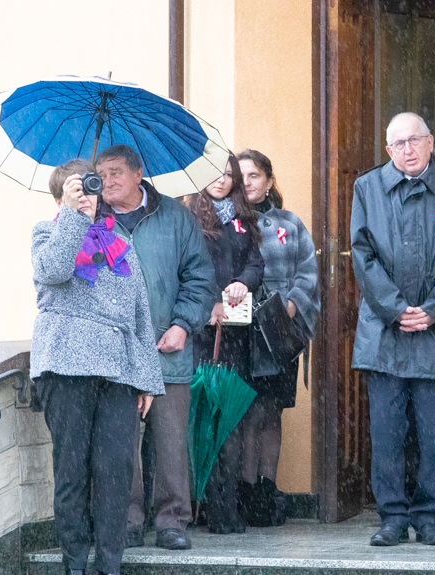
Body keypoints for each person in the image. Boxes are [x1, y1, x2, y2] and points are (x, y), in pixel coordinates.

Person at [350, 112, 435, 546]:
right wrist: (394, 308)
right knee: (386, 433)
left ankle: (429, 517)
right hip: (385, 332)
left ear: (430, 142)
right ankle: (390, 517)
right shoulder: (367, 187)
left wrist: (434, 308)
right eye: (399, 143)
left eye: (415, 140)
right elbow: (362, 253)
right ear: (388, 150)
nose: (407, 149)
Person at [31, 159, 164, 575]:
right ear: (60, 197)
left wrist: (146, 379)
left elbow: (141, 313)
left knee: (115, 473)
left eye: (91, 189)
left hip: (118, 373)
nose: (88, 196)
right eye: (77, 190)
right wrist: (72, 216)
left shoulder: (117, 241)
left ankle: (109, 565)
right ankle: (74, 565)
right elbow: (53, 272)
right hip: (66, 367)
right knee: (71, 472)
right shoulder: (47, 233)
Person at [94, 145, 216, 551]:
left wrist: (183, 325)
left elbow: (199, 278)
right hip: (116, 351)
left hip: (169, 347)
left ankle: (171, 520)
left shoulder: (176, 217)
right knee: (120, 440)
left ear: (137, 173)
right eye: (102, 174)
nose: (107, 182)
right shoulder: (94, 221)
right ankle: (128, 520)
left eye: (115, 173)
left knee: (170, 439)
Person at [236, 149, 320, 526]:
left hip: (279, 333)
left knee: (271, 413)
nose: (248, 183)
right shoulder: (225, 223)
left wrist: (289, 307)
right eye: (241, 176)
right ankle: (243, 488)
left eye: (255, 175)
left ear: (269, 180)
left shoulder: (290, 223)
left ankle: (267, 491)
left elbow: (308, 273)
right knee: (245, 415)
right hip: (240, 334)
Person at [184, 153, 264, 534]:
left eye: (229, 174)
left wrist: (242, 283)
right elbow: (187, 271)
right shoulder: (189, 218)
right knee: (201, 420)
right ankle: (197, 506)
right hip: (200, 333)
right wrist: (208, 303)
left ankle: (226, 505)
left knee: (231, 423)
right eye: (216, 173)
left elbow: (255, 264)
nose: (223, 180)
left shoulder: (242, 219)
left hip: (234, 335)